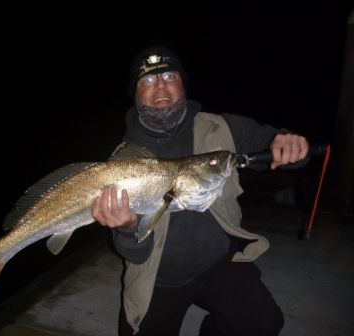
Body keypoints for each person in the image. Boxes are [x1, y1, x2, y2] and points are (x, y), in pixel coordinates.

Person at [91, 45, 309, 336]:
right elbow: (133, 252)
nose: (160, 87)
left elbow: (276, 144)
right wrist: (128, 228)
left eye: (169, 75)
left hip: (218, 260)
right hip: (159, 277)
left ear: (182, 82)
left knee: (264, 323)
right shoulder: (123, 162)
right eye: (147, 81)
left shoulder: (222, 128)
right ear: (136, 94)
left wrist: (288, 142)